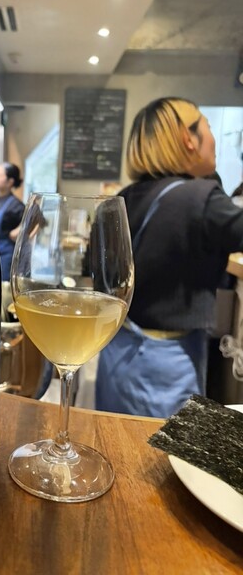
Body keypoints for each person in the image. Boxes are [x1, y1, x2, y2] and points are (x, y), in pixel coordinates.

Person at [95, 97, 243, 418]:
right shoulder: (201, 199)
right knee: (162, 449)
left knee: (111, 438)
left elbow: (96, 274)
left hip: (115, 353)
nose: (213, 138)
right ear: (188, 139)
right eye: (206, 126)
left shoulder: (118, 200)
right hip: (168, 367)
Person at [0, 163, 25, 281]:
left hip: (4, 258)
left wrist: (18, 232)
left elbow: (35, 221)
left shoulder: (16, 206)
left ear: (10, 182)